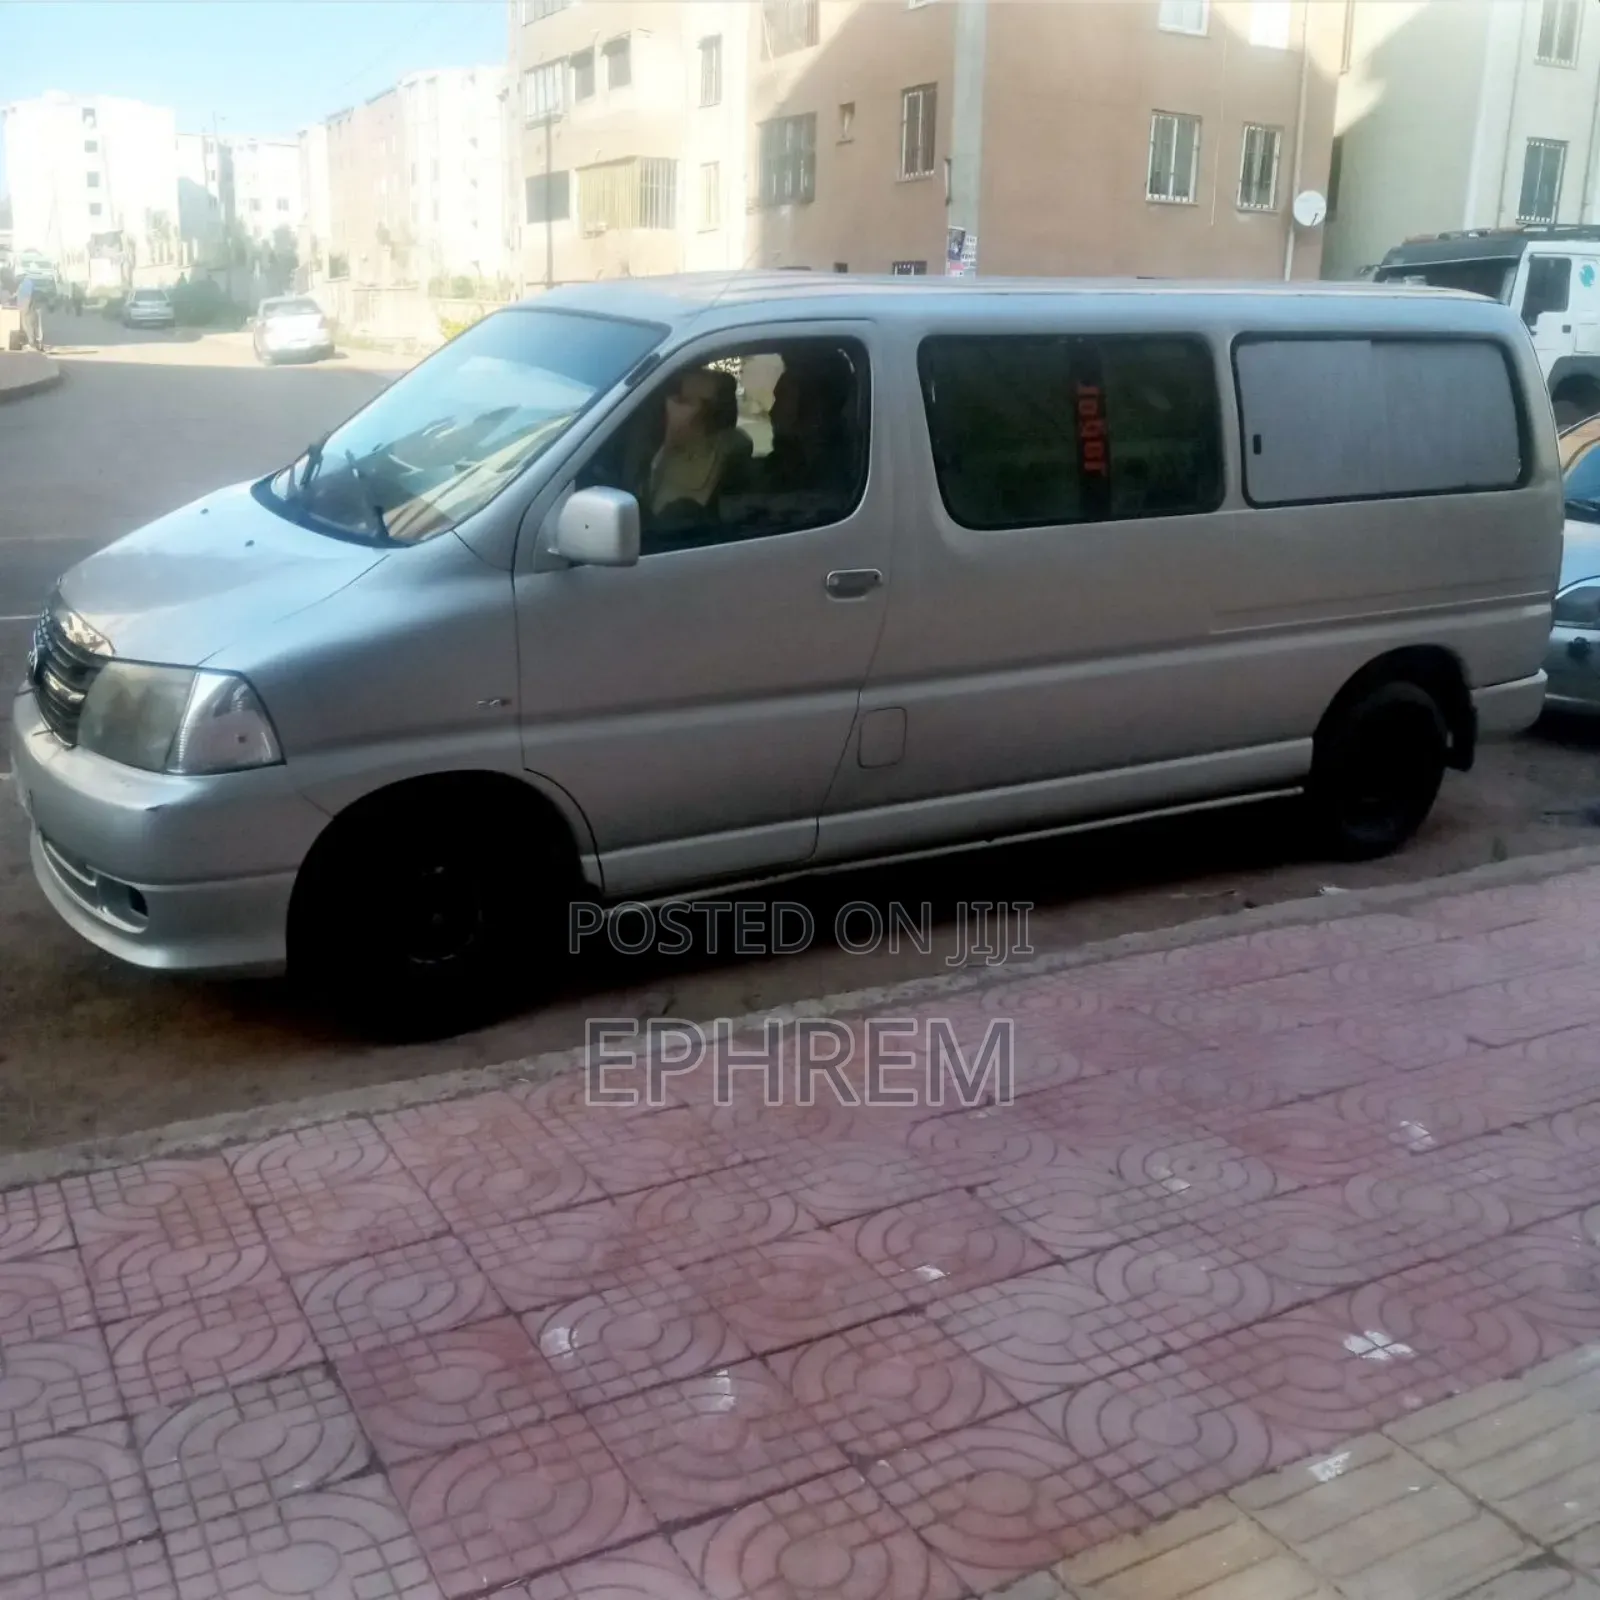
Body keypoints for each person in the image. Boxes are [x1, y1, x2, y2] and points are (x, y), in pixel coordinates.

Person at [643, 367, 739, 521]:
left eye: (682, 401)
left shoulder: (728, 453)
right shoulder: (659, 450)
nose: (670, 404)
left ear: (707, 412)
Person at [15, 273, 43, 352]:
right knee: (33, 325)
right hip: (30, 306)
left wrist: (25, 309)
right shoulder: (24, 283)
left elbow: (28, 296)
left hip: (28, 307)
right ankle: (36, 343)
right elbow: (19, 294)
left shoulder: (26, 283)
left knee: (28, 325)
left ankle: (32, 343)